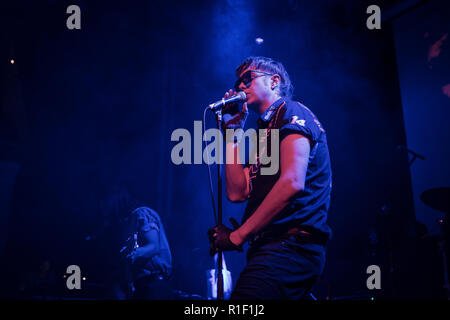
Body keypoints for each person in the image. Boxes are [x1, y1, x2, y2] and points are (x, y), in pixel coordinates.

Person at [208, 56, 332, 300]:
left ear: (274, 81)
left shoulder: (290, 111)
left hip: (290, 247)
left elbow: (292, 183)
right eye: (238, 81)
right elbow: (237, 191)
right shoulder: (263, 134)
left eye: (248, 78)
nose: (241, 86)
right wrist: (232, 133)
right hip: (271, 248)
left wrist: (236, 236)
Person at [100, 188, 172, 300]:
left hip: (153, 283)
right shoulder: (125, 224)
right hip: (140, 285)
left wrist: (135, 253)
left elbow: (154, 246)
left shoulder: (141, 213)